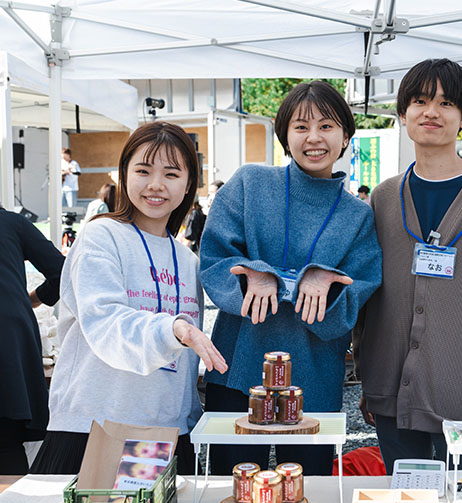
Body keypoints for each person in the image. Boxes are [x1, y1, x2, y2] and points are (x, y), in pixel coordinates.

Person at [200, 81, 382, 475]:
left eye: (327, 125)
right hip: (238, 367)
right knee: (231, 490)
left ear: (346, 135)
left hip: (313, 375)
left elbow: (357, 294)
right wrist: (263, 278)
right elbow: (214, 259)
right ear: (285, 135)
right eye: (300, 127)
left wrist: (319, 284)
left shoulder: (358, 216)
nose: (314, 138)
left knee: (305, 495)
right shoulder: (249, 183)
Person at [355, 59, 462, 472]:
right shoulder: (383, 197)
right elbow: (371, 297)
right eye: (419, 100)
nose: (431, 111)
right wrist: (371, 380)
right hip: (391, 392)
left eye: (446, 102)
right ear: (402, 113)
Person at [31, 122, 228, 475]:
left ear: (188, 185)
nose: (156, 184)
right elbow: (106, 322)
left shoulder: (188, 261)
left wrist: (189, 418)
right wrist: (175, 329)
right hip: (94, 427)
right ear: (124, 175)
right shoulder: (100, 237)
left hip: (163, 433)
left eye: (171, 173)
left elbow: (181, 369)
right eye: (143, 170)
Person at [0, 207, 64, 474]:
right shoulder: (10, 223)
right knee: (6, 440)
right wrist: (32, 299)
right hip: (8, 340)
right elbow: (66, 272)